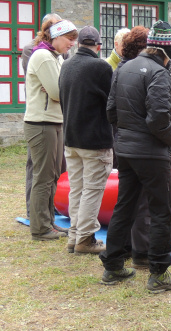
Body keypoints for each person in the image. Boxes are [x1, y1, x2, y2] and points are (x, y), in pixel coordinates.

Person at [99, 20, 171, 294]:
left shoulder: (123, 67)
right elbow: (159, 118)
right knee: (162, 210)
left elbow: (111, 110)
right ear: (167, 49)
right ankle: (159, 272)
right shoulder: (159, 73)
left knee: (125, 205)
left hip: (125, 149)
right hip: (151, 152)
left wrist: (124, 135)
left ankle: (112, 265)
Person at [59, 26, 113, 255]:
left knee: (77, 189)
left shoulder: (67, 64)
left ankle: (74, 236)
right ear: (98, 46)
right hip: (94, 139)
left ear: (78, 43)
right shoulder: (101, 66)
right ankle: (86, 238)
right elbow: (113, 102)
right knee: (92, 190)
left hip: (71, 137)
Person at [24, 19, 78, 241]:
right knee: (43, 176)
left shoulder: (54, 57)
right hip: (41, 123)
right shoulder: (43, 56)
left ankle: (48, 222)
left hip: (54, 121)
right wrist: (61, 87)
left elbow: (59, 87)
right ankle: (40, 228)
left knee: (53, 175)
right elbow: (58, 92)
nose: (72, 44)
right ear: (56, 36)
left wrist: (60, 86)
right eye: (69, 39)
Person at [111, 25, 151, 269]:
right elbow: (156, 113)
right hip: (143, 143)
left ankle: (118, 254)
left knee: (124, 200)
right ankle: (142, 254)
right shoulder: (147, 72)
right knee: (144, 201)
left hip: (123, 141)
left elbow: (110, 110)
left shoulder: (118, 70)